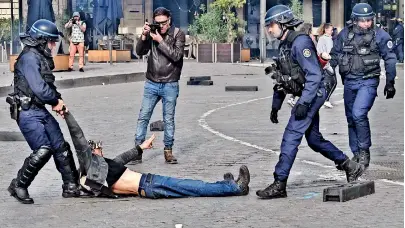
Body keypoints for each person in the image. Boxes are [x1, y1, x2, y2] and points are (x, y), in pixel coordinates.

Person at [256, 5, 365, 200]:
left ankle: (279, 183)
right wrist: (275, 105)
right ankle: (350, 165)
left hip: (315, 91)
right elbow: (283, 79)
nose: (268, 29)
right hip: (309, 93)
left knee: (292, 134)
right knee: (314, 140)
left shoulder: (300, 43)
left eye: (271, 25)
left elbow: (315, 76)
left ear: (282, 23)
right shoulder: (284, 46)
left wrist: (304, 103)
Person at [63, 111, 250, 199]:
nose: (100, 150)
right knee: (193, 186)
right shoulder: (92, 168)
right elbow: (78, 137)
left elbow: (122, 158)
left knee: (190, 186)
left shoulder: (102, 168)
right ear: (89, 154)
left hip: (150, 183)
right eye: (96, 148)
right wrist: (66, 113)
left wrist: (141, 148)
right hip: (149, 184)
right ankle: (235, 188)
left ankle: (226, 185)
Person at [7, 19, 80, 204]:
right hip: (27, 111)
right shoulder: (30, 58)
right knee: (43, 150)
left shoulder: (39, 56)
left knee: (60, 147)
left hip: (39, 109)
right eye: (51, 41)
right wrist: (55, 101)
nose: (53, 45)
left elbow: (48, 84)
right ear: (41, 40)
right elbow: (39, 88)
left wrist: (58, 100)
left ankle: (71, 186)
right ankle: (19, 185)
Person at [326, 3, 397, 167]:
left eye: (369, 20)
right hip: (350, 82)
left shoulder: (380, 35)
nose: (366, 23)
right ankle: (356, 153)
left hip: (368, 81)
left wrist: (390, 81)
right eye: (362, 20)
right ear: (355, 20)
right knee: (351, 118)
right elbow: (335, 55)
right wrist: (327, 71)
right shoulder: (345, 34)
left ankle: (364, 151)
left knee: (358, 114)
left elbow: (390, 59)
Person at [134, 7, 186, 164]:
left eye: (163, 23)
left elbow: (176, 56)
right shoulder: (152, 33)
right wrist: (144, 36)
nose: (161, 26)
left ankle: (168, 151)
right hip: (152, 83)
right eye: (157, 23)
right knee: (143, 117)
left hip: (170, 83)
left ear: (169, 20)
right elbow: (139, 52)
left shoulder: (178, 34)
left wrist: (160, 41)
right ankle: (137, 151)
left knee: (168, 119)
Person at [317, 23, 336, 108]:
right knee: (332, 82)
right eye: (331, 30)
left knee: (330, 82)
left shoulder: (330, 38)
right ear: (326, 29)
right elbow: (320, 51)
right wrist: (325, 60)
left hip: (331, 62)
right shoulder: (322, 39)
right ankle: (326, 100)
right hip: (326, 64)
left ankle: (325, 99)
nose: (332, 31)